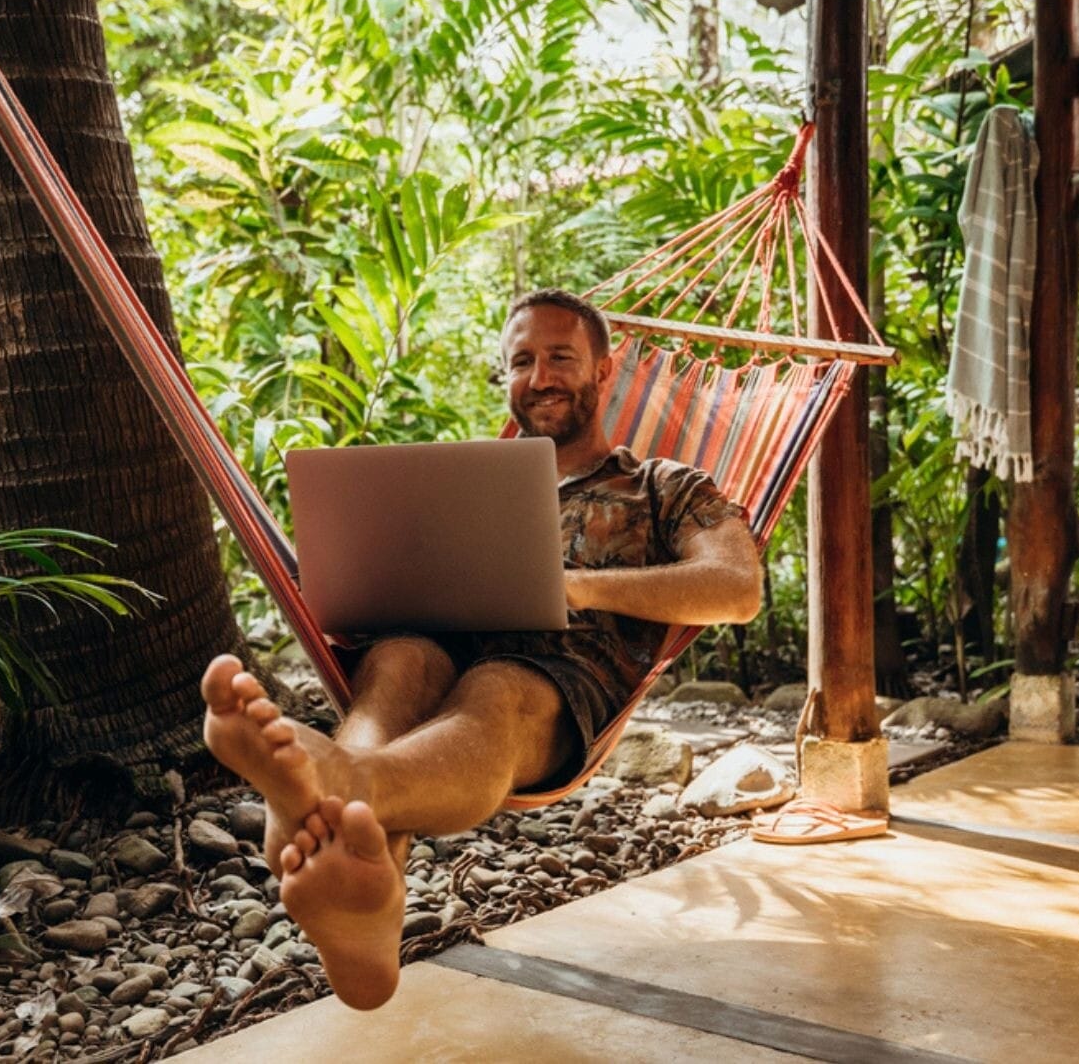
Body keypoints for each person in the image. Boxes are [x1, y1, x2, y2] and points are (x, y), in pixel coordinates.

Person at [199, 288, 763, 1009]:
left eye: (561, 357)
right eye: (522, 361)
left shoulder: (663, 486)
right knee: (400, 659)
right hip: (442, 645)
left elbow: (734, 586)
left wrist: (584, 588)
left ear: (604, 370)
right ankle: (364, 891)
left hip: (558, 678)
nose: (541, 376)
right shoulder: (466, 482)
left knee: (500, 689)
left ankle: (337, 785)